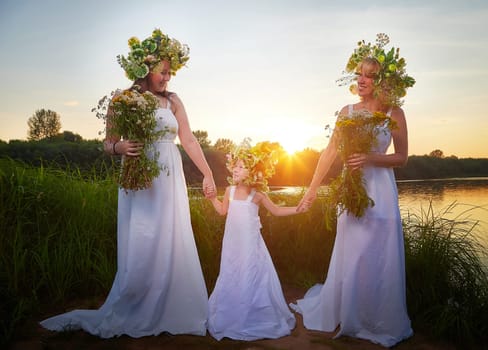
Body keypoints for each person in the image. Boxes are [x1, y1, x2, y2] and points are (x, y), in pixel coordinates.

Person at [40, 29, 216, 338]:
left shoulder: (173, 101)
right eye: (163, 72)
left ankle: (172, 306)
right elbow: (108, 144)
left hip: (169, 176)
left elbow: (187, 138)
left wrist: (207, 173)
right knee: (143, 239)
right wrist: (119, 148)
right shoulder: (123, 100)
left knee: (170, 237)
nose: (167, 78)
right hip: (139, 178)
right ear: (146, 69)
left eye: (170, 72)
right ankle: (136, 302)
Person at [291, 33, 416, 347]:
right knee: (354, 251)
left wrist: (371, 157)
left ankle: (378, 319)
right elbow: (329, 153)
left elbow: (401, 158)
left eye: (369, 75)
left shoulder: (394, 114)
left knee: (379, 254)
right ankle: (350, 315)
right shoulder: (346, 112)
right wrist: (310, 190)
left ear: (383, 81)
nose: (361, 80)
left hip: (382, 192)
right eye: (359, 73)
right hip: (351, 191)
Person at [207, 140, 297, 341]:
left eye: (241, 166)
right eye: (235, 166)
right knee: (232, 271)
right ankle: (231, 312)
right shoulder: (230, 191)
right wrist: (212, 199)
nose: (236, 169)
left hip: (250, 246)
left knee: (250, 274)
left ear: (252, 171)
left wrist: (298, 209)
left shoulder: (257, 195)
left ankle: (250, 314)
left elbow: (276, 210)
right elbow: (223, 211)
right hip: (232, 245)